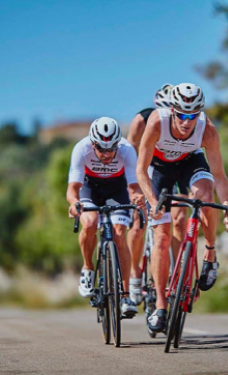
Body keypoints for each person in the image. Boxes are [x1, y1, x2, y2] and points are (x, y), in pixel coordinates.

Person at [136, 83, 228, 333]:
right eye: (182, 114)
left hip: (190, 162)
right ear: (172, 110)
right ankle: (160, 305)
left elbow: (220, 175)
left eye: (193, 115)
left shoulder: (207, 130)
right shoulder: (156, 123)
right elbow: (141, 170)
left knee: (206, 193)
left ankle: (210, 253)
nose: (187, 121)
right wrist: (153, 203)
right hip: (159, 167)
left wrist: (227, 208)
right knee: (161, 235)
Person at [67, 117, 145, 318]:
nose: (107, 154)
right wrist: (74, 203)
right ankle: (88, 268)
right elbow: (72, 189)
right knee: (90, 223)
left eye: (112, 149)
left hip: (116, 190)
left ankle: (126, 296)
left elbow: (134, 186)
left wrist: (137, 197)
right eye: (101, 149)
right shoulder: (81, 149)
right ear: (93, 144)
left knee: (120, 235)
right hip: (89, 189)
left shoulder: (127, 150)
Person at [126, 84, 196, 304]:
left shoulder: (186, 125)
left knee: (180, 218)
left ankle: (177, 275)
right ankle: (135, 273)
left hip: (175, 167)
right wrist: (133, 188)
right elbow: (129, 155)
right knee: (138, 225)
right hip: (148, 168)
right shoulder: (143, 120)